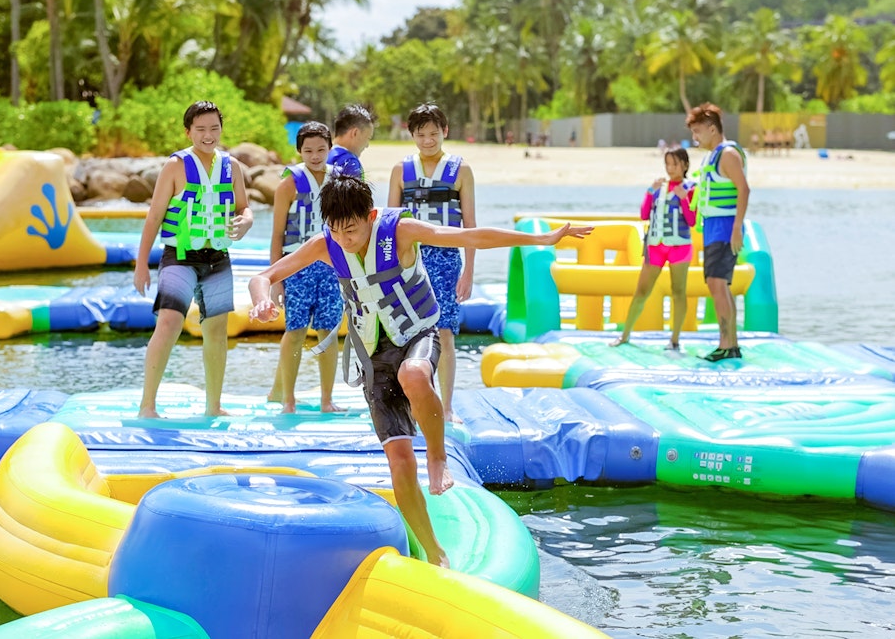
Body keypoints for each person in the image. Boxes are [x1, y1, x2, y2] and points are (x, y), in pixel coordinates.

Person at [248, 174, 592, 567]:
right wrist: (262, 300)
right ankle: (434, 553)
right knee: (397, 459)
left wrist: (539, 240)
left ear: (371, 215)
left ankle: (438, 456)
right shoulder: (326, 245)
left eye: (353, 229)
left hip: (416, 334)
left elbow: (469, 236)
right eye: (336, 230)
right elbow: (265, 276)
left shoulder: (401, 231)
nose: (345, 238)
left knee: (414, 374)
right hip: (372, 355)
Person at [133, 100, 253, 416]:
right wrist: (141, 263)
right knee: (170, 321)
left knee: (215, 330)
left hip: (217, 257)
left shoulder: (233, 166)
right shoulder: (175, 166)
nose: (208, 135)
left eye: (214, 128)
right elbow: (154, 216)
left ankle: (213, 406)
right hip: (179, 257)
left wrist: (247, 221)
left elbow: (244, 207)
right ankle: (148, 405)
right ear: (188, 132)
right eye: (200, 129)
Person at [387, 103, 474, 425]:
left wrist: (468, 271)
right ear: (411, 135)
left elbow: (470, 225)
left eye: (434, 134)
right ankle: (413, 403)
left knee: (446, 333)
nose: (427, 140)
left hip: (447, 258)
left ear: (445, 132)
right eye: (421, 134)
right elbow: (389, 222)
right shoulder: (401, 170)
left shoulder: (461, 170)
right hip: (408, 259)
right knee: (408, 333)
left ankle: (446, 407)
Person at [267, 121, 343, 413]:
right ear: (299, 151)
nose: (315, 155)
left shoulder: (339, 182)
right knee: (295, 330)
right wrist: (276, 279)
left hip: (331, 266)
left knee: (328, 330)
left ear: (330, 149)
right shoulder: (288, 184)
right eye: (308, 150)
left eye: (321, 149)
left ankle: (327, 399)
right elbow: (277, 236)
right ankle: (288, 400)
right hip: (296, 266)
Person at [610, 148, 697, 349]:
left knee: (678, 291)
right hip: (656, 247)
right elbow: (644, 214)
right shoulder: (659, 187)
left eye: (674, 164)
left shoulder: (691, 188)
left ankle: (674, 339)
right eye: (667, 164)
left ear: (684, 164)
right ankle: (625, 335)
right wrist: (650, 191)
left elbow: (691, 220)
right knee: (641, 290)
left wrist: (684, 198)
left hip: (680, 246)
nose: (670, 168)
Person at [686, 102, 750, 361]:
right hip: (713, 227)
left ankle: (727, 344)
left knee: (717, 284)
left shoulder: (728, 154)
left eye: (698, 131)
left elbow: (743, 189)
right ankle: (730, 344)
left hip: (725, 227)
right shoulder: (711, 156)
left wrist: (736, 228)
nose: (695, 137)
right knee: (719, 285)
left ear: (712, 129)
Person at [327, 104, 376, 178]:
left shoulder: (319, 156)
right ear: (355, 133)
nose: (367, 145)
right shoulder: (350, 163)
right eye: (367, 138)